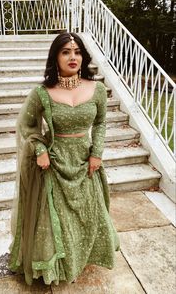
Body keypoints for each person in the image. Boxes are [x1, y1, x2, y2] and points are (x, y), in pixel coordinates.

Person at [8, 32, 120, 285]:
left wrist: (97, 153)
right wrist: (40, 150)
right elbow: (26, 126)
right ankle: (59, 266)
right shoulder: (42, 93)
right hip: (55, 164)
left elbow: (101, 123)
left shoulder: (97, 89)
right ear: (55, 57)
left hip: (85, 162)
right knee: (57, 220)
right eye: (66, 52)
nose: (73, 57)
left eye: (77, 52)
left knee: (88, 215)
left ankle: (84, 256)